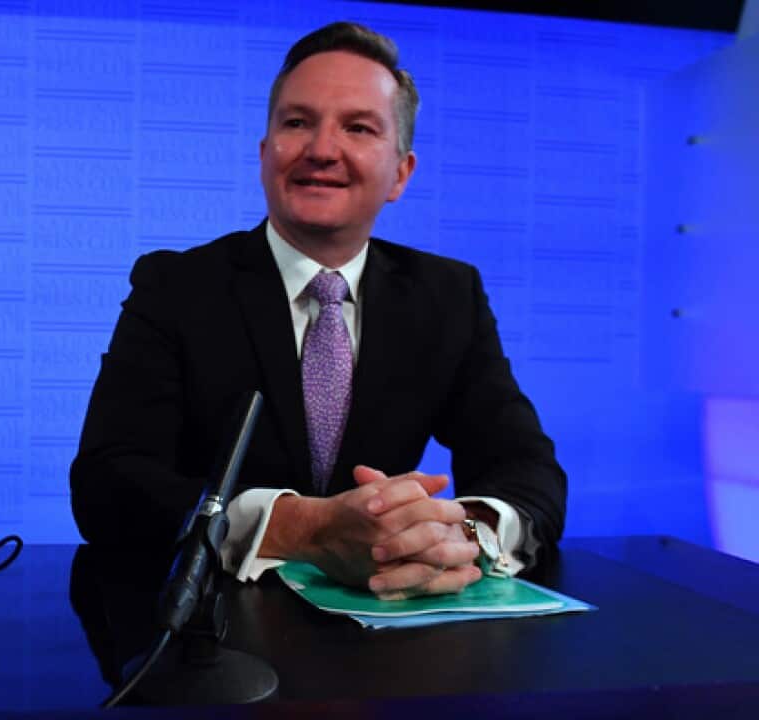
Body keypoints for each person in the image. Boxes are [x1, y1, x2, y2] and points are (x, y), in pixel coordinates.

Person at [70, 21, 566, 599]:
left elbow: (528, 467)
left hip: (391, 645)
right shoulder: (176, 285)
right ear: (265, 153)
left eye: (358, 127)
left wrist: (454, 535)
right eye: (297, 123)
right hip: (205, 633)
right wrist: (304, 529)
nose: (322, 150)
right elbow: (108, 484)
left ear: (401, 174)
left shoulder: (448, 294)